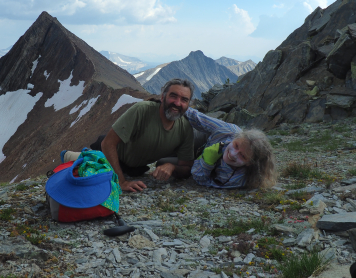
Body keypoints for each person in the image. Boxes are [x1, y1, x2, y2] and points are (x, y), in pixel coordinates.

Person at [62, 79, 195, 193]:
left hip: (133, 168)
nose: (177, 103)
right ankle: (75, 155)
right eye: (173, 96)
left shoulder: (185, 129)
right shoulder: (142, 110)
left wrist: (172, 167)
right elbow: (108, 143)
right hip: (107, 154)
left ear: (188, 105)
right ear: (163, 97)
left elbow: (187, 168)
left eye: (184, 100)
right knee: (84, 168)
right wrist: (121, 182)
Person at [184, 108, 277, 189]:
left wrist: (207, 162)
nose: (233, 154)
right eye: (236, 145)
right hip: (204, 140)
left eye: (243, 156)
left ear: (250, 163)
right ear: (236, 137)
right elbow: (197, 118)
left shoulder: (238, 178)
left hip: (198, 161)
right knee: (181, 123)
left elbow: (199, 179)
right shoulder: (228, 130)